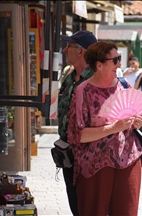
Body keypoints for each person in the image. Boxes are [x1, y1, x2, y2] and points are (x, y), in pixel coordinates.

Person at [67, 41, 142, 215]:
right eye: (115, 60)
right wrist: (112, 128)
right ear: (99, 65)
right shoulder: (83, 92)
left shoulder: (124, 86)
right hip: (94, 165)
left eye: (119, 58)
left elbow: (135, 115)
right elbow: (76, 136)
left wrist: (138, 122)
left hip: (128, 159)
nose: (119, 64)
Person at [58, 30, 97, 215]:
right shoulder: (69, 78)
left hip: (88, 156)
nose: (66, 50)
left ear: (81, 51)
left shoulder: (96, 80)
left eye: (70, 46)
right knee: (75, 205)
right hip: (67, 154)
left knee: (89, 206)